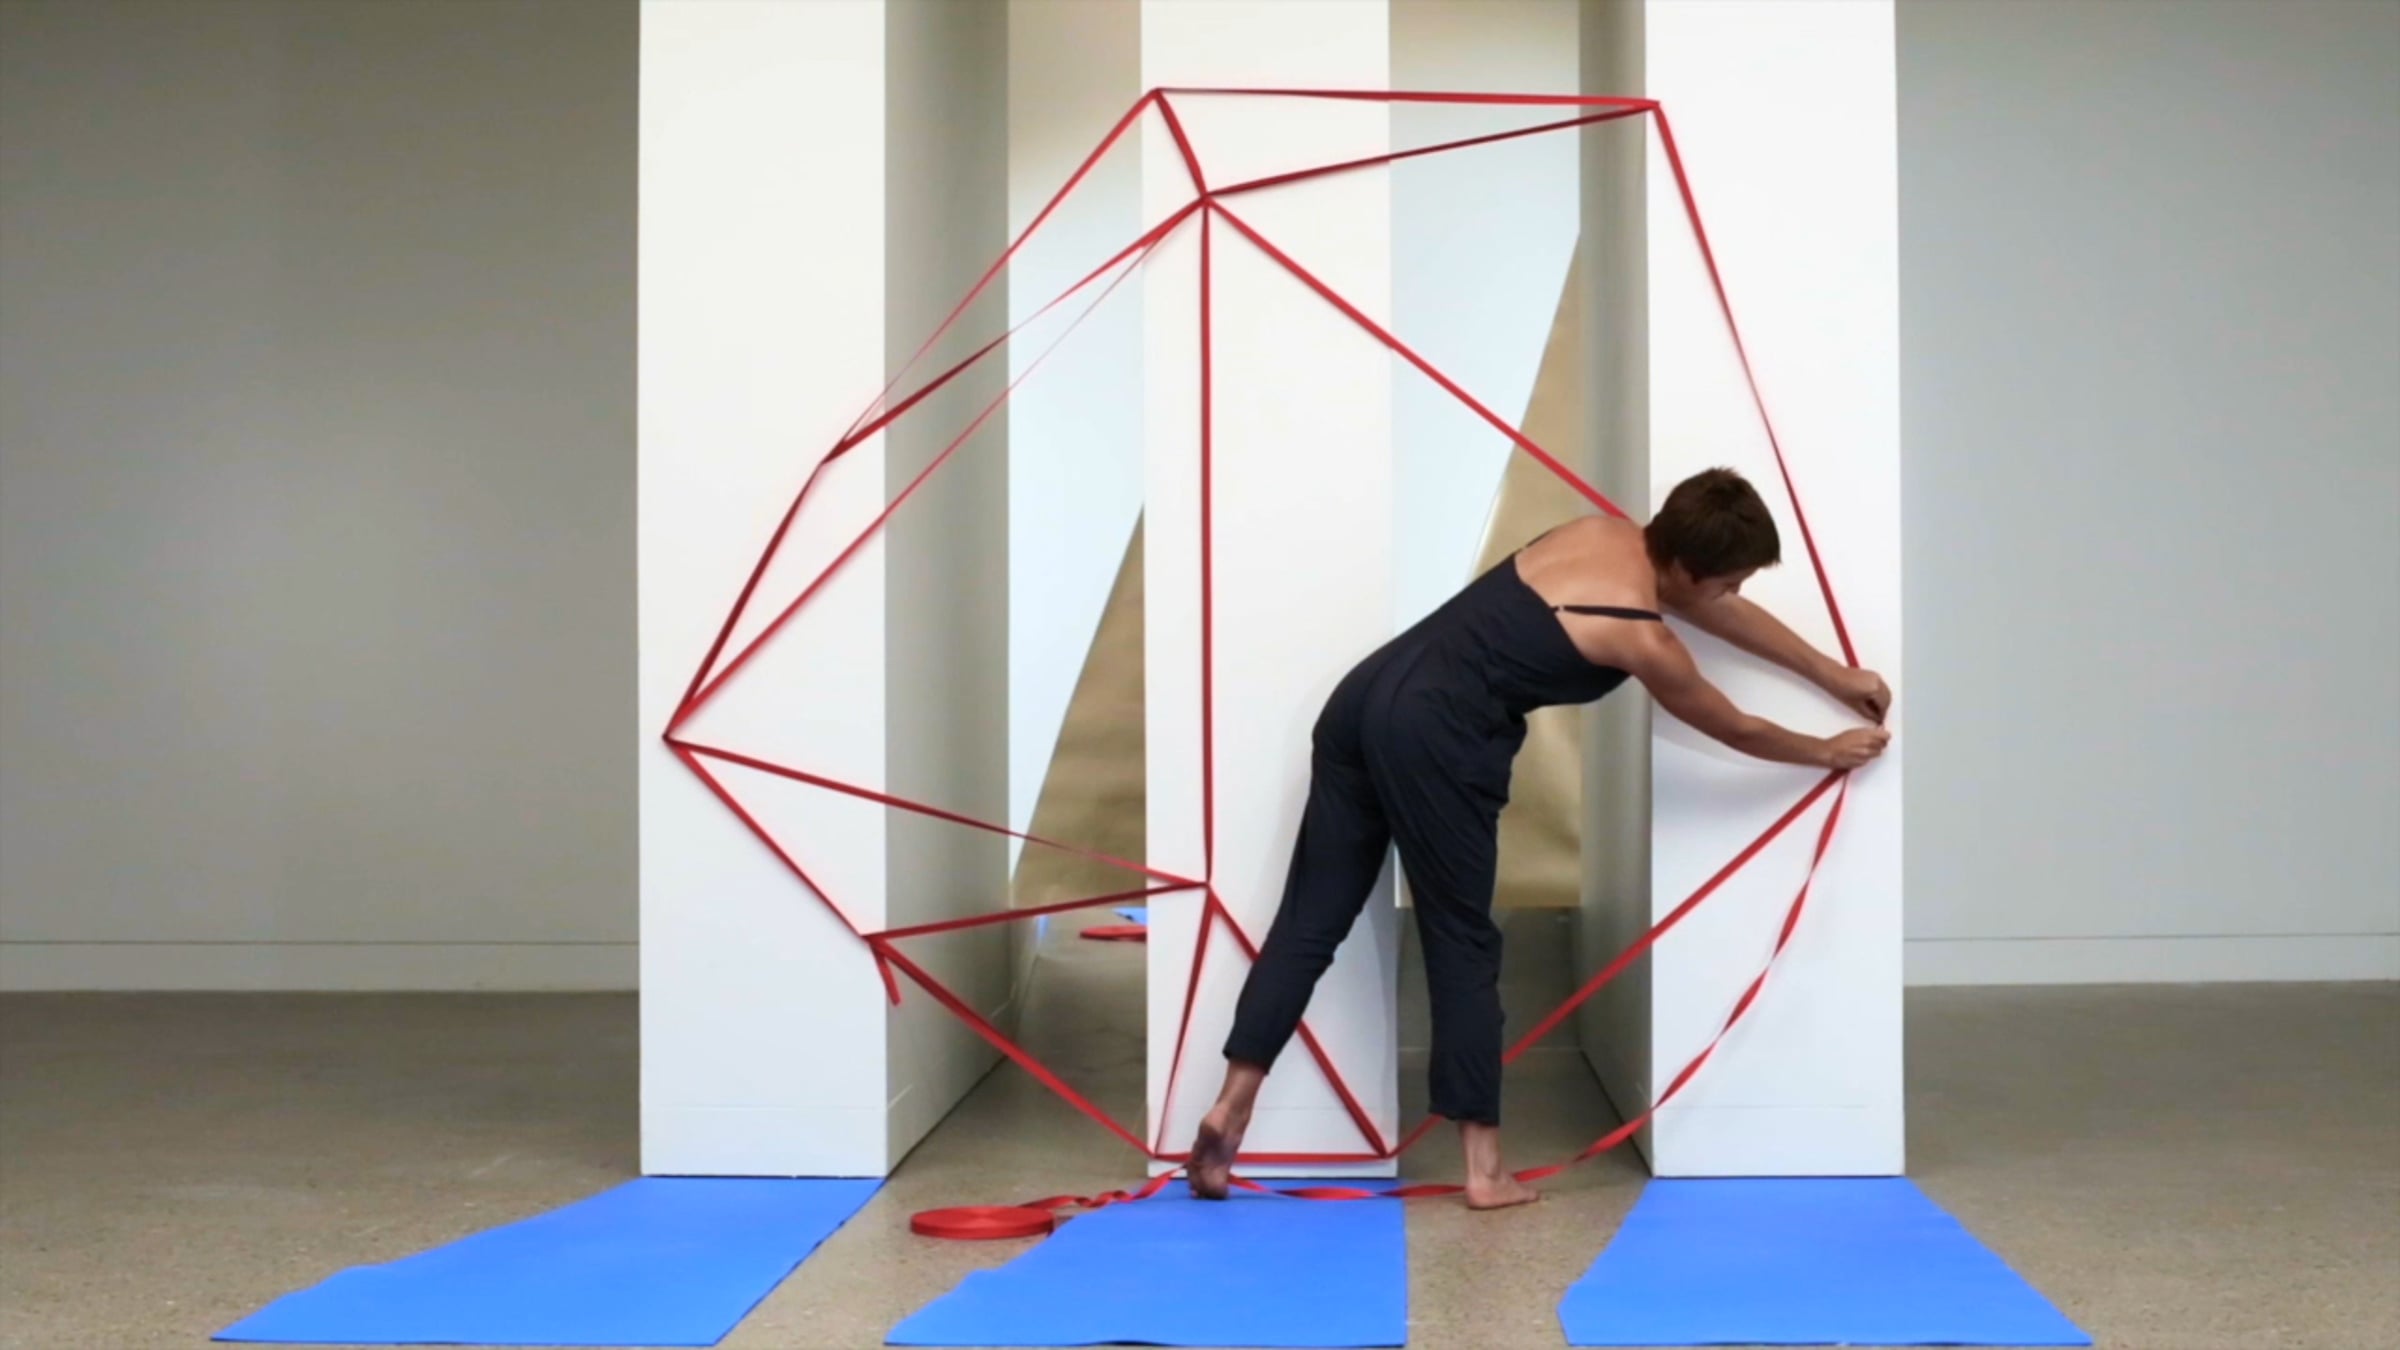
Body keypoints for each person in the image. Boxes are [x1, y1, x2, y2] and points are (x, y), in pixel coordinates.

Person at [1185, 467, 1891, 1210]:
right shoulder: (1639, 637)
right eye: (1729, 583)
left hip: (1364, 698)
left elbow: (1715, 612)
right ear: (1687, 568)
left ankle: (1232, 1104)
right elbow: (1734, 726)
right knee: (1461, 938)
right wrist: (1823, 750)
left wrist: (1831, 673)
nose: (1733, 597)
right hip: (1437, 733)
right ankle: (1485, 1170)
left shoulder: (1600, 534)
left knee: (1310, 919)